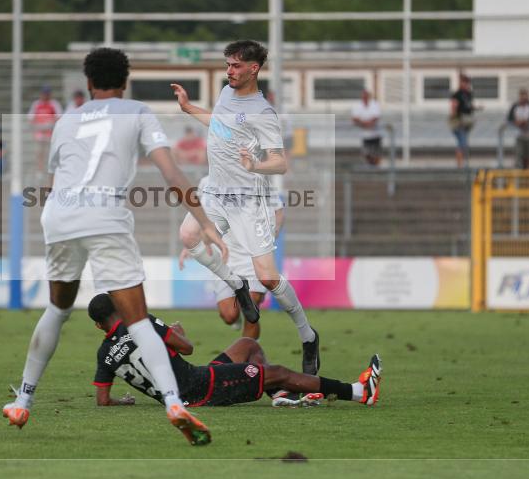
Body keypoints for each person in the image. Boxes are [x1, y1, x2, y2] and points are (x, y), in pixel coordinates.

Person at [2, 47, 229, 447]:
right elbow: (172, 173)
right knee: (138, 320)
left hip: (58, 214)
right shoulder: (137, 112)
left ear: (88, 82)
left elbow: (54, 181)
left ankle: (23, 400)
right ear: (125, 82)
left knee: (57, 308)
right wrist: (206, 223)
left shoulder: (65, 119)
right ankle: (174, 403)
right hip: (104, 212)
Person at [172, 39, 320, 376]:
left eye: (236, 66)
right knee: (188, 235)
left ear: (254, 69)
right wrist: (190, 109)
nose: (229, 72)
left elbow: (280, 163)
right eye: (228, 65)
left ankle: (308, 336)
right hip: (218, 192)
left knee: (267, 278)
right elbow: (222, 125)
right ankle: (236, 285)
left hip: (250, 200)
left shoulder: (263, 112)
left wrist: (255, 167)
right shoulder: (226, 93)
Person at [87, 293, 382, 409]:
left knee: (248, 345)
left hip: (192, 382)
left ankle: (279, 396)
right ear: (119, 308)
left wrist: (123, 402)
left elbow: (102, 399)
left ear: (100, 326)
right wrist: (178, 334)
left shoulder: (104, 355)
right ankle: (358, 392)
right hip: (199, 389)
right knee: (277, 372)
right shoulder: (142, 324)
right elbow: (187, 349)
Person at [178, 175, 284, 340]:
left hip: (253, 253)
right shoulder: (207, 182)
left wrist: (273, 232)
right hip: (225, 255)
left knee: (252, 304)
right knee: (229, 316)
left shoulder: (259, 180)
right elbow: (199, 216)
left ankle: (247, 357)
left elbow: (278, 211)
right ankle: (236, 320)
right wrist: (190, 244)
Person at [27, 86, 63, 176]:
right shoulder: (36, 104)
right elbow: (30, 118)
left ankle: (51, 171)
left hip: (50, 134)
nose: (45, 95)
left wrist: (50, 124)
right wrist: (38, 125)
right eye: (44, 93)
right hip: (40, 134)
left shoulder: (54, 104)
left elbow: (59, 117)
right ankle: (39, 171)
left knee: (50, 154)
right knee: (39, 153)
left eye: (47, 94)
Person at [506, 88, 529, 169]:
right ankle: (519, 177)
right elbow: (510, 119)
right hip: (519, 136)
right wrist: (518, 123)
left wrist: (525, 122)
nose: (524, 98)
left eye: (526, 96)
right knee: (519, 157)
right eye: (522, 96)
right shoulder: (515, 106)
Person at [449, 74, 476, 168]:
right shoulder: (457, 94)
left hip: (467, 121)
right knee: (462, 143)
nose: (466, 85)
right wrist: (455, 119)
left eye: (467, 83)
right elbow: (453, 107)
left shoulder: (469, 94)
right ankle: (459, 165)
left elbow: (469, 106)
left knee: (464, 143)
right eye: (465, 83)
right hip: (459, 121)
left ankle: (463, 163)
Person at [351, 89, 382, 166]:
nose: (365, 97)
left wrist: (367, 123)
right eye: (363, 96)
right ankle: (370, 167)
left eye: (366, 95)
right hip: (365, 136)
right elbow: (355, 119)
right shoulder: (357, 106)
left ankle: (375, 168)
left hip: (375, 135)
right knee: (366, 154)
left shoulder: (374, 104)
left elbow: (375, 118)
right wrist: (365, 124)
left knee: (376, 155)